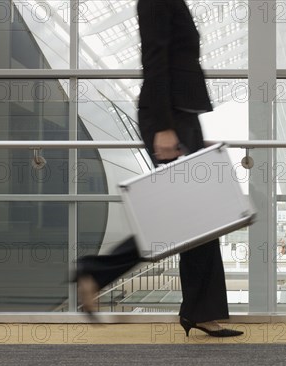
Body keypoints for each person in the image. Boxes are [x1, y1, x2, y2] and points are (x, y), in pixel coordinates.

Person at [75, 0, 242, 338]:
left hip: (182, 116)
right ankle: (94, 271)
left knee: (200, 215)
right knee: (183, 213)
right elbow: (154, 59)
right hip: (167, 116)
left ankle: (201, 310)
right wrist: (166, 127)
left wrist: (194, 134)